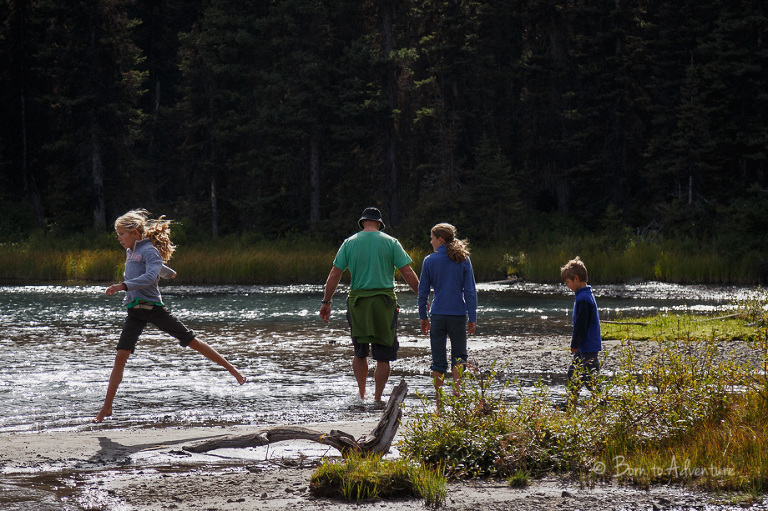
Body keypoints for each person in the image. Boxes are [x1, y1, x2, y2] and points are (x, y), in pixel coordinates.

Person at [93, 209, 246, 423]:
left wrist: (123, 286)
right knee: (120, 356)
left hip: (154, 309)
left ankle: (234, 371)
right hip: (135, 311)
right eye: (117, 234)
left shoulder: (149, 250)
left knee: (189, 339)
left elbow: (148, 275)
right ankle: (106, 408)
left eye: (122, 234)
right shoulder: (131, 251)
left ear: (136, 232)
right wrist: (167, 271)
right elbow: (153, 268)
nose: (119, 239)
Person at [319, 207, 419, 407]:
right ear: (380, 223)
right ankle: (377, 398)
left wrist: (326, 302)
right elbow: (407, 272)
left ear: (363, 222)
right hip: (384, 303)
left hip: (358, 303)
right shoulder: (391, 242)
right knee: (383, 354)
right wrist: (422, 296)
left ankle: (362, 394)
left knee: (360, 351)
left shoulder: (350, 242)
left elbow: (334, 274)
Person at [418, 223, 477, 406]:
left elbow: (423, 292)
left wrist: (423, 316)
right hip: (458, 315)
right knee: (459, 356)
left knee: (438, 360)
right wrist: (472, 317)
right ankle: (457, 396)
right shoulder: (463, 259)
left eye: (432, 238)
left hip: (437, 315)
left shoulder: (429, 261)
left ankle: (439, 403)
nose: (431, 241)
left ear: (440, 240)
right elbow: (470, 292)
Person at [560, 256, 602, 406]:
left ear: (576, 279)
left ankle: (602, 404)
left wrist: (575, 343)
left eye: (568, 282)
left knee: (589, 378)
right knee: (574, 373)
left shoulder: (584, 299)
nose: (567, 286)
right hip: (585, 346)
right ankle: (571, 403)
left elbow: (581, 325)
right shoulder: (584, 295)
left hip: (588, 345)